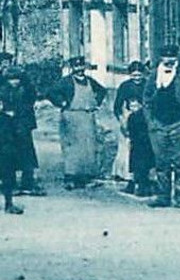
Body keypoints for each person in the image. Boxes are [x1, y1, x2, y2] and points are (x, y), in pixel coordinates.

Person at [143, 44, 180, 208]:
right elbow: (146, 99)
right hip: (158, 124)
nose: (169, 60)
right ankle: (163, 195)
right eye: (166, 57)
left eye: (172, 57)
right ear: (161, 58)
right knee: (161, 161)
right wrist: (150, 121)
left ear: (176, 58)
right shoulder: (154, 75)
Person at [48, 57, 107, 189]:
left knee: (89, 147)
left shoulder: (90, 81)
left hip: (87, 116)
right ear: (72, 68)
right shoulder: (66, 81)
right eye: (76, 67)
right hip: (71, 116)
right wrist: (61, 102)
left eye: (81, 67)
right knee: (72, 147)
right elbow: (51, 93)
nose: (79, 70)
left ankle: (87, 177)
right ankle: (70, 177)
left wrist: (96, 102)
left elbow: (102, 91)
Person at [0, 67, 45, 195]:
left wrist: (18, 113)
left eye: (17, 79)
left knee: (26, 154)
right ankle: (10, 183)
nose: (14, 82)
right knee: (8, 154)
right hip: (7, 127)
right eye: (11, 79)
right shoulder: (3, 90)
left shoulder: (27, 90)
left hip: (23, 125)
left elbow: (29, 105)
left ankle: (27, 183)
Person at [113, 61, 150, 191]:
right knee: (127, 150)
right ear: (130, 75)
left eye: (139, 76)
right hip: (128, 118)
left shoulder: (147, 85)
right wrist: (122, 120)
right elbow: (117, 106)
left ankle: (145, 179)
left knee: (143, 150)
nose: (137, 78)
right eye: (134, 76)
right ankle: (130, 180)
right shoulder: (125, 86)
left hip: (144, 119)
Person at [123, 97, 155, 196]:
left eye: (136, 106)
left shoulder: (144, 116)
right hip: (136, 144)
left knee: (145, 167)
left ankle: (146, 188)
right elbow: (130, 130)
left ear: (140, 105)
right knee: (137, 167)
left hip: (145, 144)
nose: (134, 108)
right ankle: (139, 187)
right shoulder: (131, 117)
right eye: (131, 106)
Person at [0, 86, 23, 214]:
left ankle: (9, 204)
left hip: (5, 153)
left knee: (8, 177)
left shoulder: (7, 120)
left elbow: (16, 136)